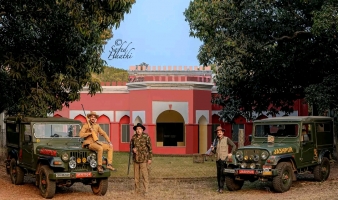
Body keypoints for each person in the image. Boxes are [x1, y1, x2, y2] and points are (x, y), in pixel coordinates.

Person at [211, 126, 237, 193]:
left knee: (222, 174)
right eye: (217, 132)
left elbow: (234, 146)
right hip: (218, 159)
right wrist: (212, 149)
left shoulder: (226, 139)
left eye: (220, 132)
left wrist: (231, 153)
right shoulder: (215, 140)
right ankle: (219, 187)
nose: (219, 133)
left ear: (222, 132)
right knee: (218, 174)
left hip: (224, 159)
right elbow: (215, 151)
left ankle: (221, 188)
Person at [130, 123, 153, 196]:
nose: (138, 130)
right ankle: (137, 190)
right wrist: (133, 149)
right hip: (136, 159)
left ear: (142, 129)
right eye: (137, 129)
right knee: (136, 176)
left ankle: (146, 190)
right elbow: (131, 147)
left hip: (143, 159)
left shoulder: (146, 137)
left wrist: (150, 158)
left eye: (139, 129)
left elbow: (150, 148)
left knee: (144, 175)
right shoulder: (133, 137)